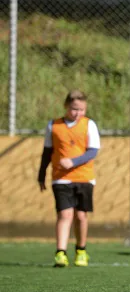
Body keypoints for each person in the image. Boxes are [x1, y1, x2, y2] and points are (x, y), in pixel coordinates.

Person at [38, 90, 100, 268]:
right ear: (66, 106)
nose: (77, 113)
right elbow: (47, 152)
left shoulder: (89, 125)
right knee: (64, 214)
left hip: (84, 178)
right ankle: (60, 253)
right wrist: (41, 174)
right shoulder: (54, 126)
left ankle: (81, 250)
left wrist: (72, 162)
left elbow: (93, 151)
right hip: (61, 178)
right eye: (74, 109)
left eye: (81, 110)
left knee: (80, 216)